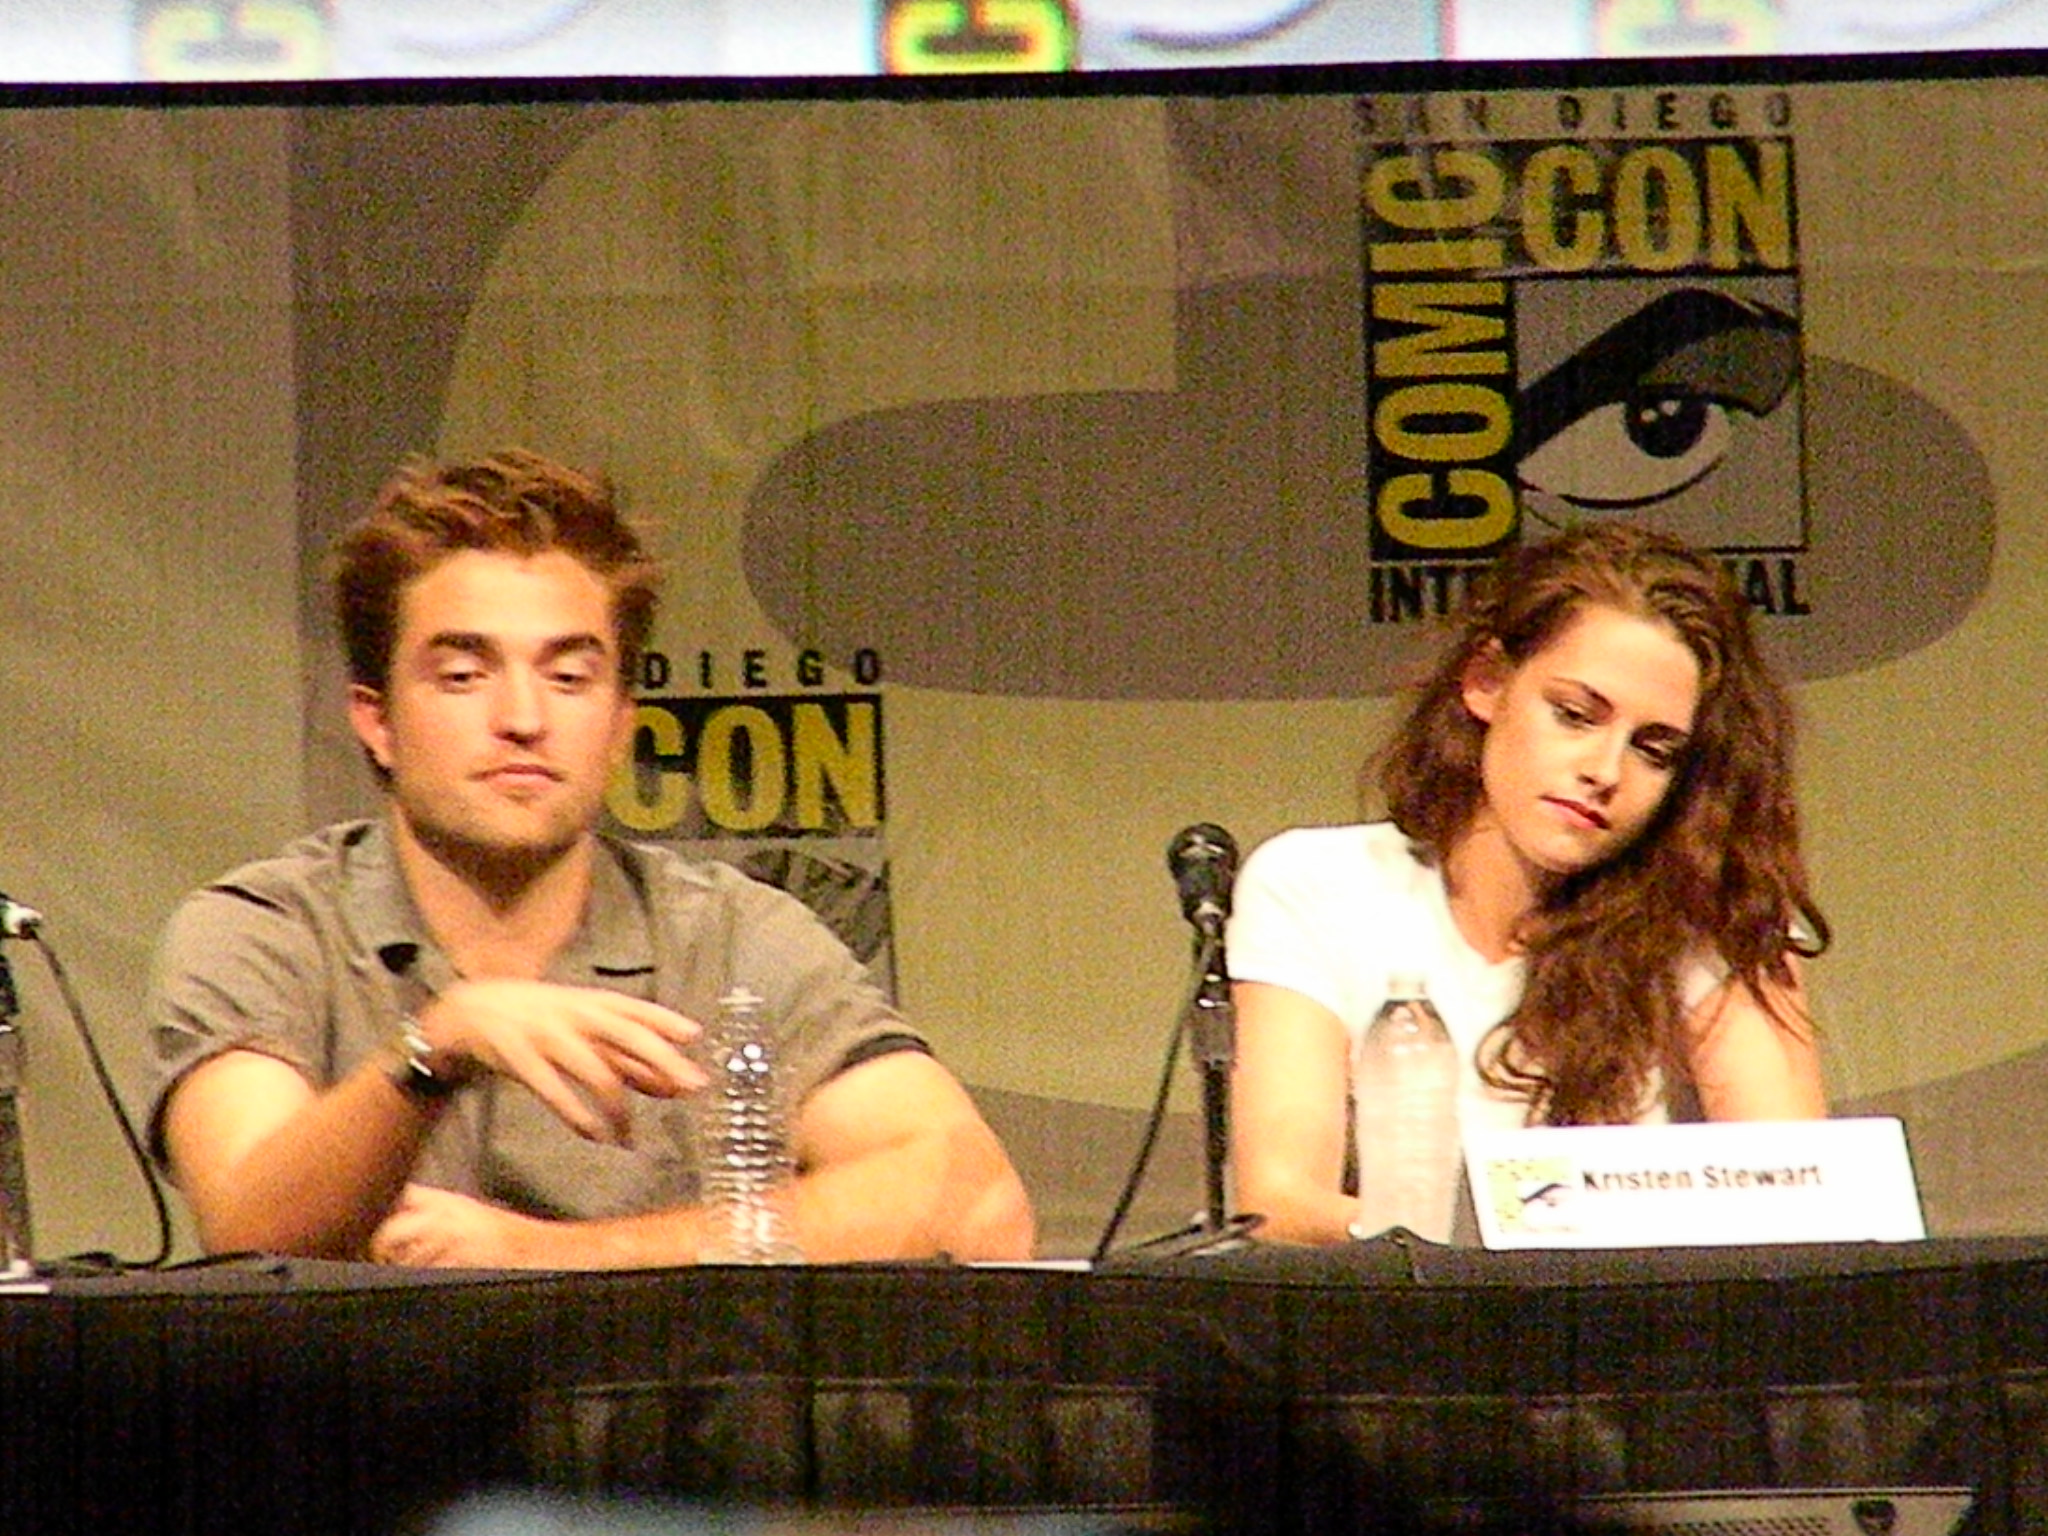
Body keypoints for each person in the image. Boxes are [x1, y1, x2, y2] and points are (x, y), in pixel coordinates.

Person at [145, 447, 1034, 1268]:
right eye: (464, 676)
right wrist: (436, 1047)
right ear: (376, 720)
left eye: (569, 677)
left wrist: (549, 1256)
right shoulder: (263, 930)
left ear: (619, 726)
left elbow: (975, 1200)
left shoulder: (730, 934)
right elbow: (251, 1234)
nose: (523, 718)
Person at [1227, 522, 1827, 1246]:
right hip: (1399, 1307)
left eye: (1654, 749)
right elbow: (1280, 1203)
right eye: (1574, 715)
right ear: (1486, 682)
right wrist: (1507, 1236)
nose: (1604, 771)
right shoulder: (1315, 885)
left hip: (1631, 1313)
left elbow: (1800, 1203)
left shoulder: (1712, 913)